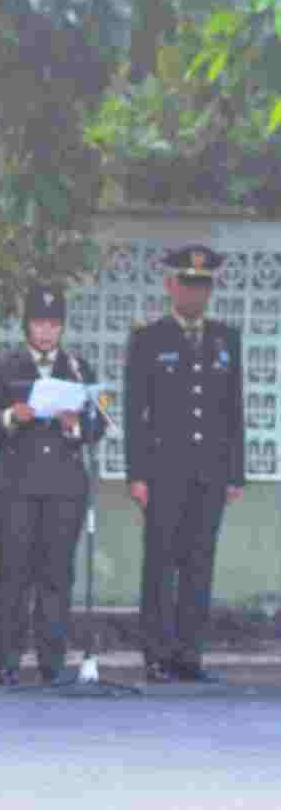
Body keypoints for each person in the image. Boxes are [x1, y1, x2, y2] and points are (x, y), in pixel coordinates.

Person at [0, 283, 106, 686]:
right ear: (27, 326)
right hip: (15, 486)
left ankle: (52, 662)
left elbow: (99, 425)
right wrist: (11, 416)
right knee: (14, 573)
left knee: (56, 575)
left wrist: (75, 426)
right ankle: (7, 661)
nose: (46, 331)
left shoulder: (79, 368)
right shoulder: (4, 367)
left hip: (64, 488)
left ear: (62, 326)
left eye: (53, 323)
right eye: (39, 323)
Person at [124, 244, 244, 684]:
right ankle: (156, 654)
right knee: (160, 562)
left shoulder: (226, 339)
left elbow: (233, 410)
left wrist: (236, 472)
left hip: (210, 471)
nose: (196, 294)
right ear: (170, 285)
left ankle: (189, 654)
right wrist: (137, 473)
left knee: (199, 561)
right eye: (188, 284)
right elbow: (135, 411)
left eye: (203, 286)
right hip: (163, 471)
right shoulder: (149, 338)